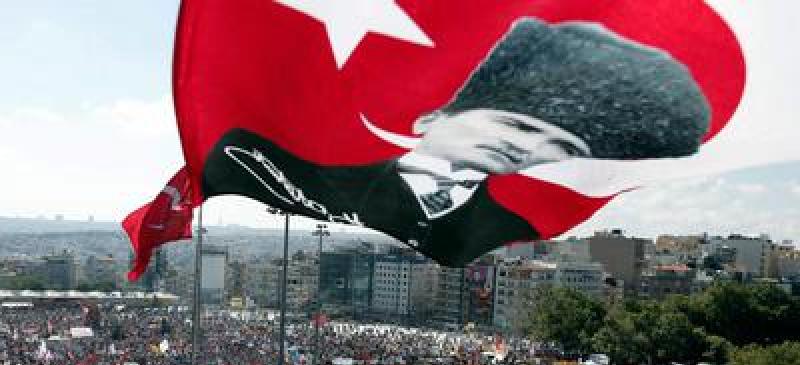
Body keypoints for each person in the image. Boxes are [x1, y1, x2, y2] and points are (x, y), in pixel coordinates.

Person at [203, 17, 710, 266]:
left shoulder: (505, 224)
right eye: (518, 125)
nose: (525, 150)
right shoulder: (282, 158)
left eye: (558, 148)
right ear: (440, 112)